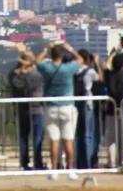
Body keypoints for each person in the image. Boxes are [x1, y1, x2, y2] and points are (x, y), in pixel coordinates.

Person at [35, 42, 83, 180]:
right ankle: (70, 169)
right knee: (68, 140)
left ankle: (54, 170)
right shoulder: (67, 69)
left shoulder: (47, 68)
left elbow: (36, 61)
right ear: (62, 55)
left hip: (51, 106)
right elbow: (80, 60)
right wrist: (70, 49)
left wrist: (46, 49)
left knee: (54, 140)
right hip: (67, 106)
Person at [9, 51, 45, 171]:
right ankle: (37, 162)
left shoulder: (13, 75)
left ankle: (24, 162)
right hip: (37, 108)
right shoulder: (36, 75)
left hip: (21, 108)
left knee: (23, 136)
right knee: (37, 137)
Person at [74, 50, 100, 171]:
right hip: (87, 104)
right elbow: (100, 78)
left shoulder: (74, 70)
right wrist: (97, 63)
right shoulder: (89, 71)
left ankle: (78, 160)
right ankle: (88, 160)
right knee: (88, 133)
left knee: (78, 134)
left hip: (76, 103)